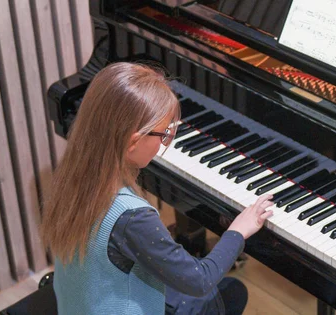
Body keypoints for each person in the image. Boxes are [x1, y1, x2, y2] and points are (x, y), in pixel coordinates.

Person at [40, 62, 274, 315]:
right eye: (164, 135)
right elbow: (200, 280)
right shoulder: (132, 217)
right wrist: (237, 231)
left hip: (80, 305)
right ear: (133, 142)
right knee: (231, 293)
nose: (166, 144)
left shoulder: (75, 174)